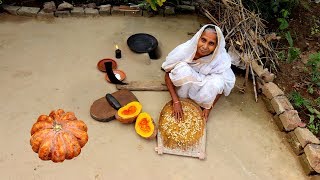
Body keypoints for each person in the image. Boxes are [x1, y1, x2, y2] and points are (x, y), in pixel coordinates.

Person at [162, 24, 236, 122]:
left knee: (218, 82)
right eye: (203, 40)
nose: (205, 46)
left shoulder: (220, 59)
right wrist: (176, 101)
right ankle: (183, 97)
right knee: (182, 70)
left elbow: (223, 85)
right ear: (198, 38)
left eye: (211, 43)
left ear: (216, 46)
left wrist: (208, 108)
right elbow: (168, 73)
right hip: (187, 83)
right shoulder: (184, 51)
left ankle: (201, 101)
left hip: (205, 82)